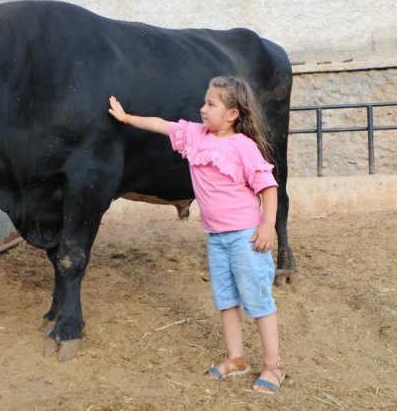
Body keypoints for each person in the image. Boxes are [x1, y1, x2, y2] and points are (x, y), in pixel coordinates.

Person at [108, 76, 285, 394]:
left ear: (232, 114)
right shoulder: (195, 135)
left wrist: (267, 225)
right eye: (204, 102)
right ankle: (236, 358)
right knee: (226, 301)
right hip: (216, 237)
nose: (203, 109)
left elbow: (268, 187)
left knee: (257, 299)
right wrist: (126, 118)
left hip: (246, 236)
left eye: (211, 104)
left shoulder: (243, 146)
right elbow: (161, 125)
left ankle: (274, 366)